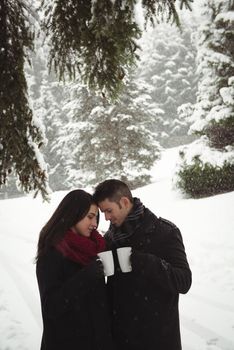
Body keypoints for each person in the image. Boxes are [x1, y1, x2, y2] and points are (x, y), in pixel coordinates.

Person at [93, 179, 192, 350]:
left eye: (109, 211)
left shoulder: (165, 232)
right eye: (104, 213)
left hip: (158, 338)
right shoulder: (110, 238)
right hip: (121, 339)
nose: (107, 218)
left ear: (124, 202)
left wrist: (144, 261)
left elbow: (183, 281)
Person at [35, 189, 113, 350]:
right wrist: (85, 277)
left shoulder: (94, 248)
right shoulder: (51, 253)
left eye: (96, 218)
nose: (95, 224)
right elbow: (51, 307)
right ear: (73, 215)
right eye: (90, 217)